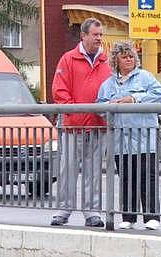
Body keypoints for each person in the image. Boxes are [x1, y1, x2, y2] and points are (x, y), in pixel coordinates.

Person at [50, 18, 112, 228]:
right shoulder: (68, 59)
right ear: (83, 36)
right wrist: (75, 114)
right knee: (67, 169)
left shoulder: (107, 62)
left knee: (94, 171)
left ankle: (91, 212)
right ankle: (63, 210)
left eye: (100, 35)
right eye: (95, 35)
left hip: (97, 126)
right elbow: (59, 90)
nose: (99, 39)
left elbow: (113, 89)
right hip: (73, 125)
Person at [97, 41, 161, 230]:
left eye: (131, 56)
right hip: (121, 141)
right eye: (124, 56)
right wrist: (110, 105)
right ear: (116, 60)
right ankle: (128, 216)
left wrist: (134, 99)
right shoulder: (108, 84)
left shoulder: (145, 77)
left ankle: (152, 216)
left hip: (144, 139)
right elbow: (99, 106)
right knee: (126, 178)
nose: (129, 59)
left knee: (147, 177)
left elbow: (159, 94)